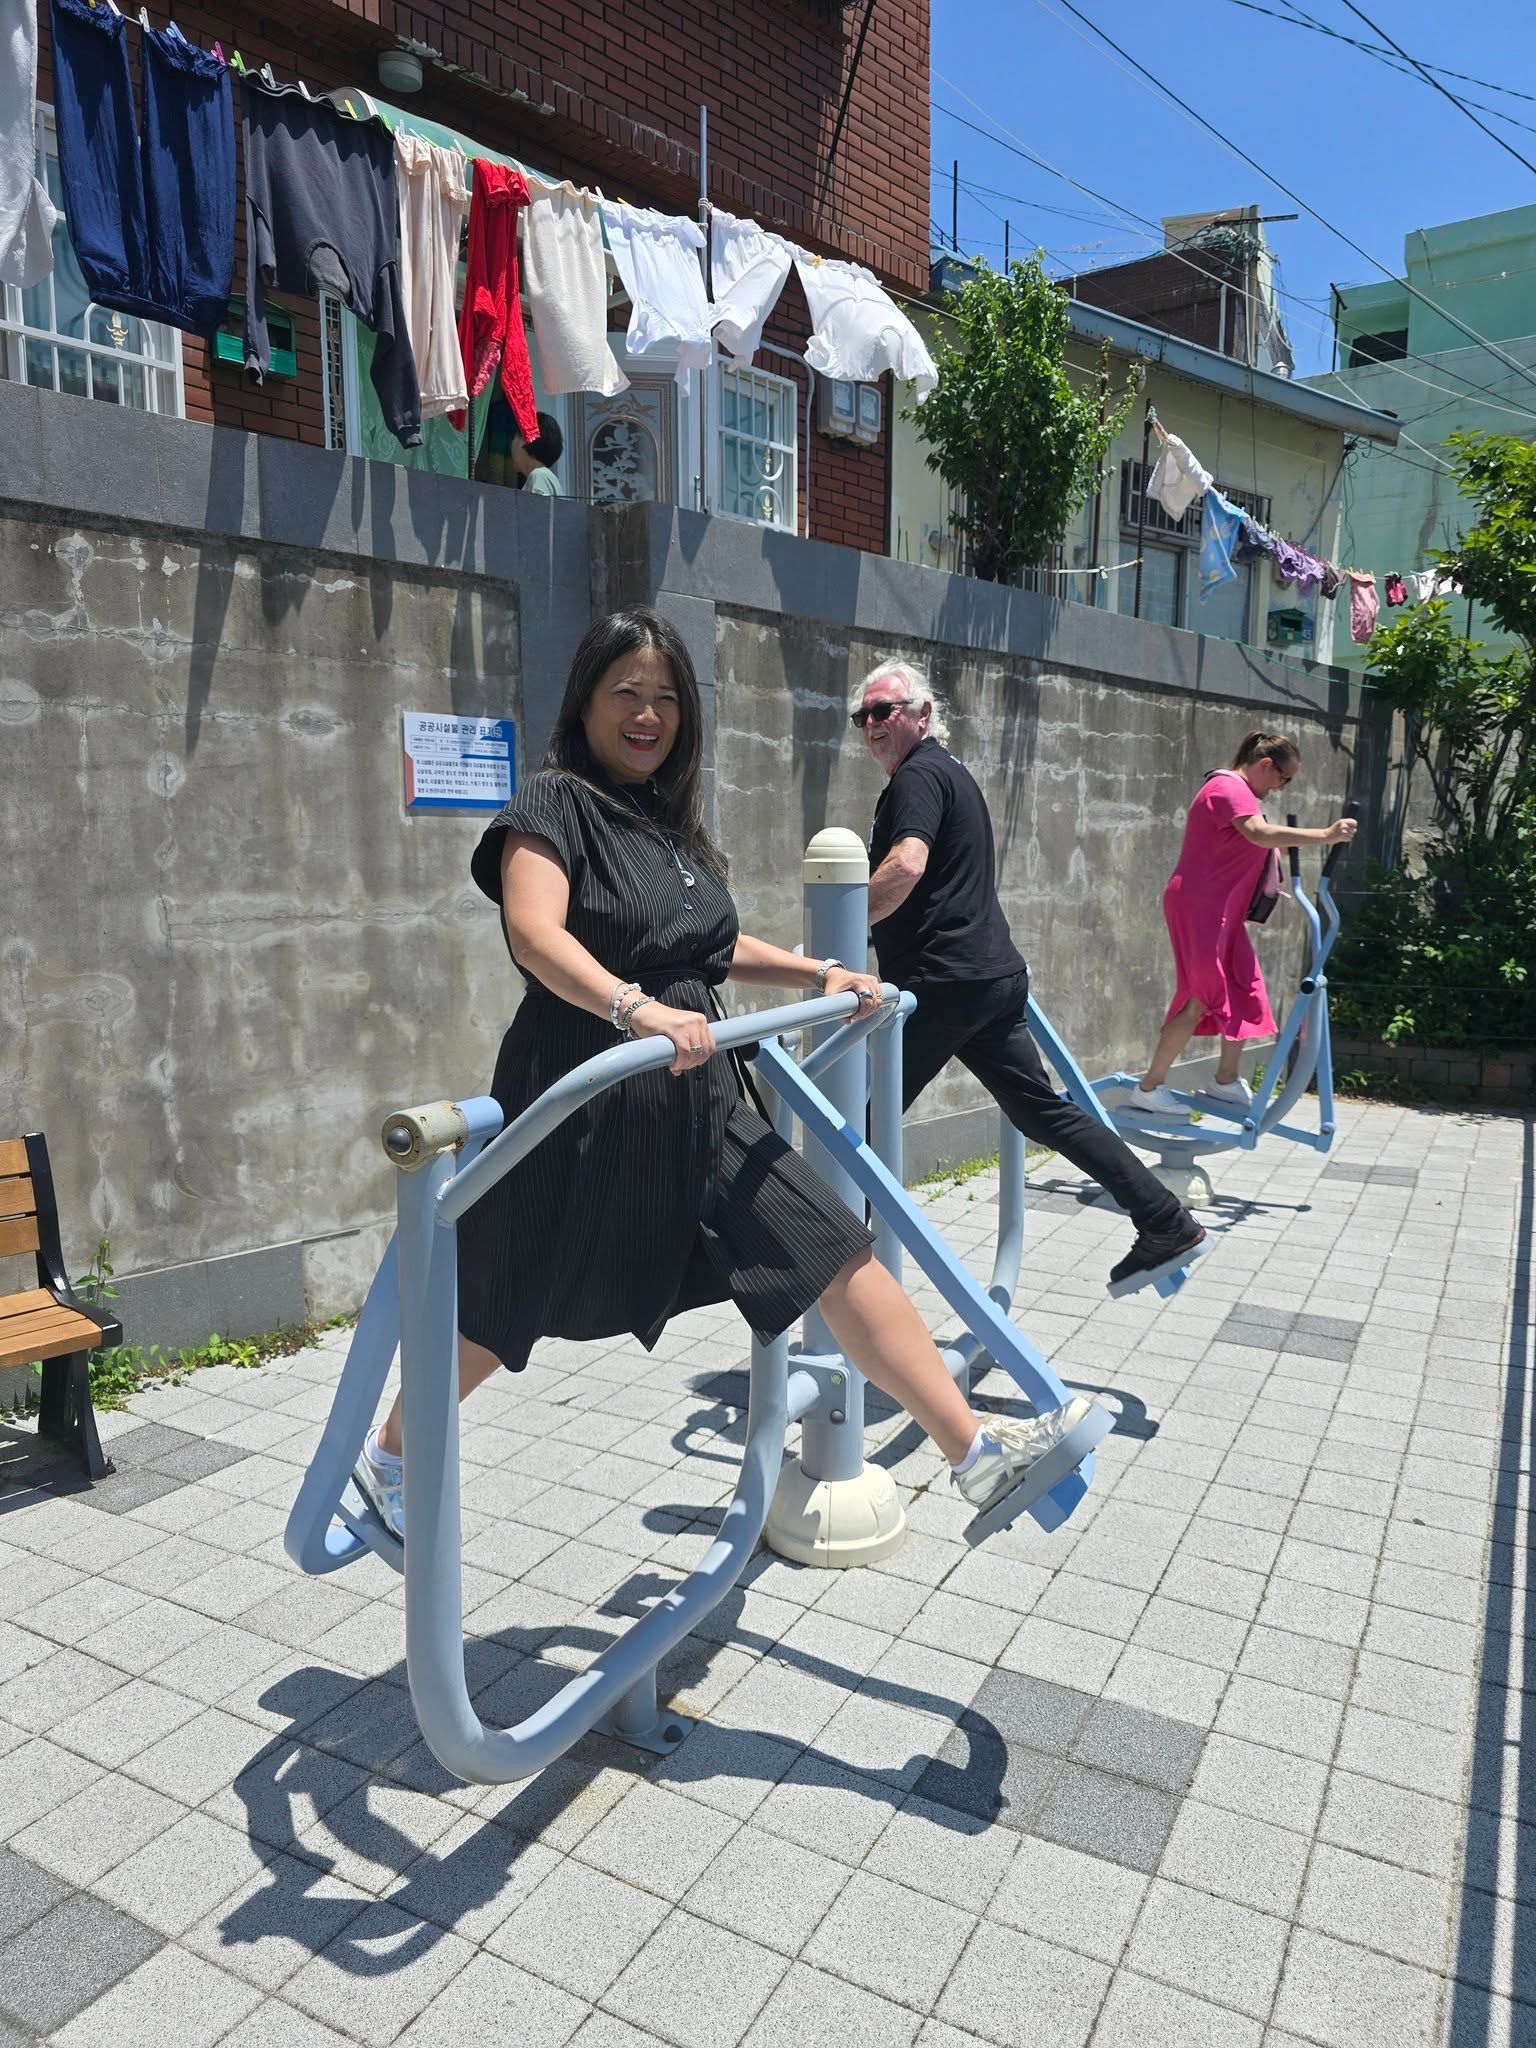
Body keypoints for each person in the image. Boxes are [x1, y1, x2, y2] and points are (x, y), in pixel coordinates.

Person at [354, 609, 1102, 1541]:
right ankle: (389, 1456)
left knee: (833, 1247)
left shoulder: (666, 825)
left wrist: (819, 974)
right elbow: (534, 935)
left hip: (695, 1087)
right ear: (585, 700)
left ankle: (975, 1452)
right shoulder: (551, 804)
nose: (648, 714)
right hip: (588, 1082)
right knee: (504, 1297)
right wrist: (634, 1008)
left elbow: (710, 945)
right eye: (627, 692)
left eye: (666, 697)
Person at [853, 659, 1207, 1297]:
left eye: (885, 710)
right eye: (863, 715)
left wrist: (843, 925)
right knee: (1041, 1112)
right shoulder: (949, 772)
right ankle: (1165, 1219)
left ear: (923, 715)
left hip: (944, 983)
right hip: (989, 979)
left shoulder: (918, 776)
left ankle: (839, 1273)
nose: (872, 724)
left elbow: (906, 864)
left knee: (862, 1123)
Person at [1129, 731, 1357, 1116]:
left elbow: (1258, 841)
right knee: (1199, 997)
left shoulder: (1242, 795)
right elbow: (1258, 833)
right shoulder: (1228, 788)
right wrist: (1325, 835)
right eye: (1284, 778)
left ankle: (1224, 1081)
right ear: (1266, 764)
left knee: (1242, 988)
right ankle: (1149, 1088)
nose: (1281, 788)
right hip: (1200, 908)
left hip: (1223, 912)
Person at [479, 402, 563, 495]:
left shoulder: (539, 475)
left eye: (515, 437)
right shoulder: (543, 475)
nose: (512, 443)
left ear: (525, 440)